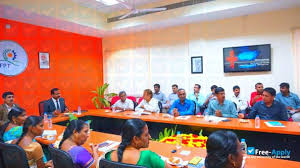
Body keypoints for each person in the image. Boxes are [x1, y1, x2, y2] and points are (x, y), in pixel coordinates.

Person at [105, 119, 172, 168]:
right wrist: (156, 159)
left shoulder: (109, 155)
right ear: (136, 139)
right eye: (146, 135)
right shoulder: (148, 156)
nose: (150, 137)